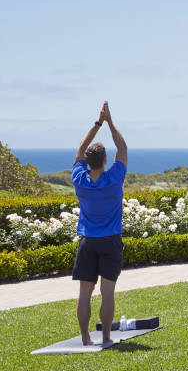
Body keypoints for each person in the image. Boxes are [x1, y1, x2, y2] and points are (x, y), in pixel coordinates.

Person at [71, 101, 127, 346]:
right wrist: (110, 122)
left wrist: (97, 123)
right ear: (105, 160)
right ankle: (105, 337)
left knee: (85, 293)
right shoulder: (114, 178)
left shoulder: (79, 179)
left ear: (87, 160)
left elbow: (81, 148)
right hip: (111, 240)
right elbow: (122, 147)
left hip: (87, 241)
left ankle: (85, 338)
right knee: (107, 292)